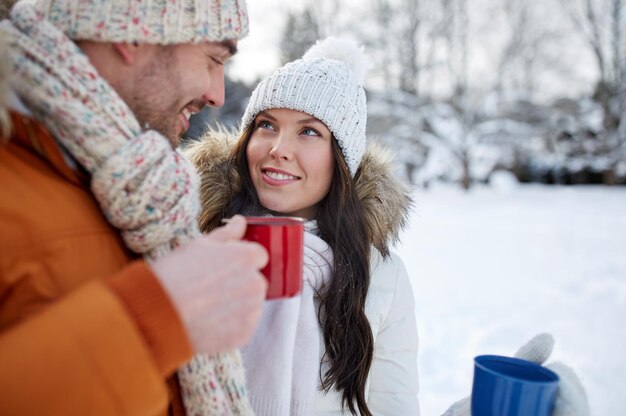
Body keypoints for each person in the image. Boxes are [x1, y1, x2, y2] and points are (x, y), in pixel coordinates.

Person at [0, 0, 269, 415]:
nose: (217, 94)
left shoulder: (139, 192)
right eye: (213, 58)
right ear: (131, 35)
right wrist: (153, 318)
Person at [185, 37, 420, 415]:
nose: (278, 148)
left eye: (309, 131)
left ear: (342, 159)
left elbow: (394, 406)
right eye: (266, 125)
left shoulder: (381, 277)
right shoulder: (193, 241)